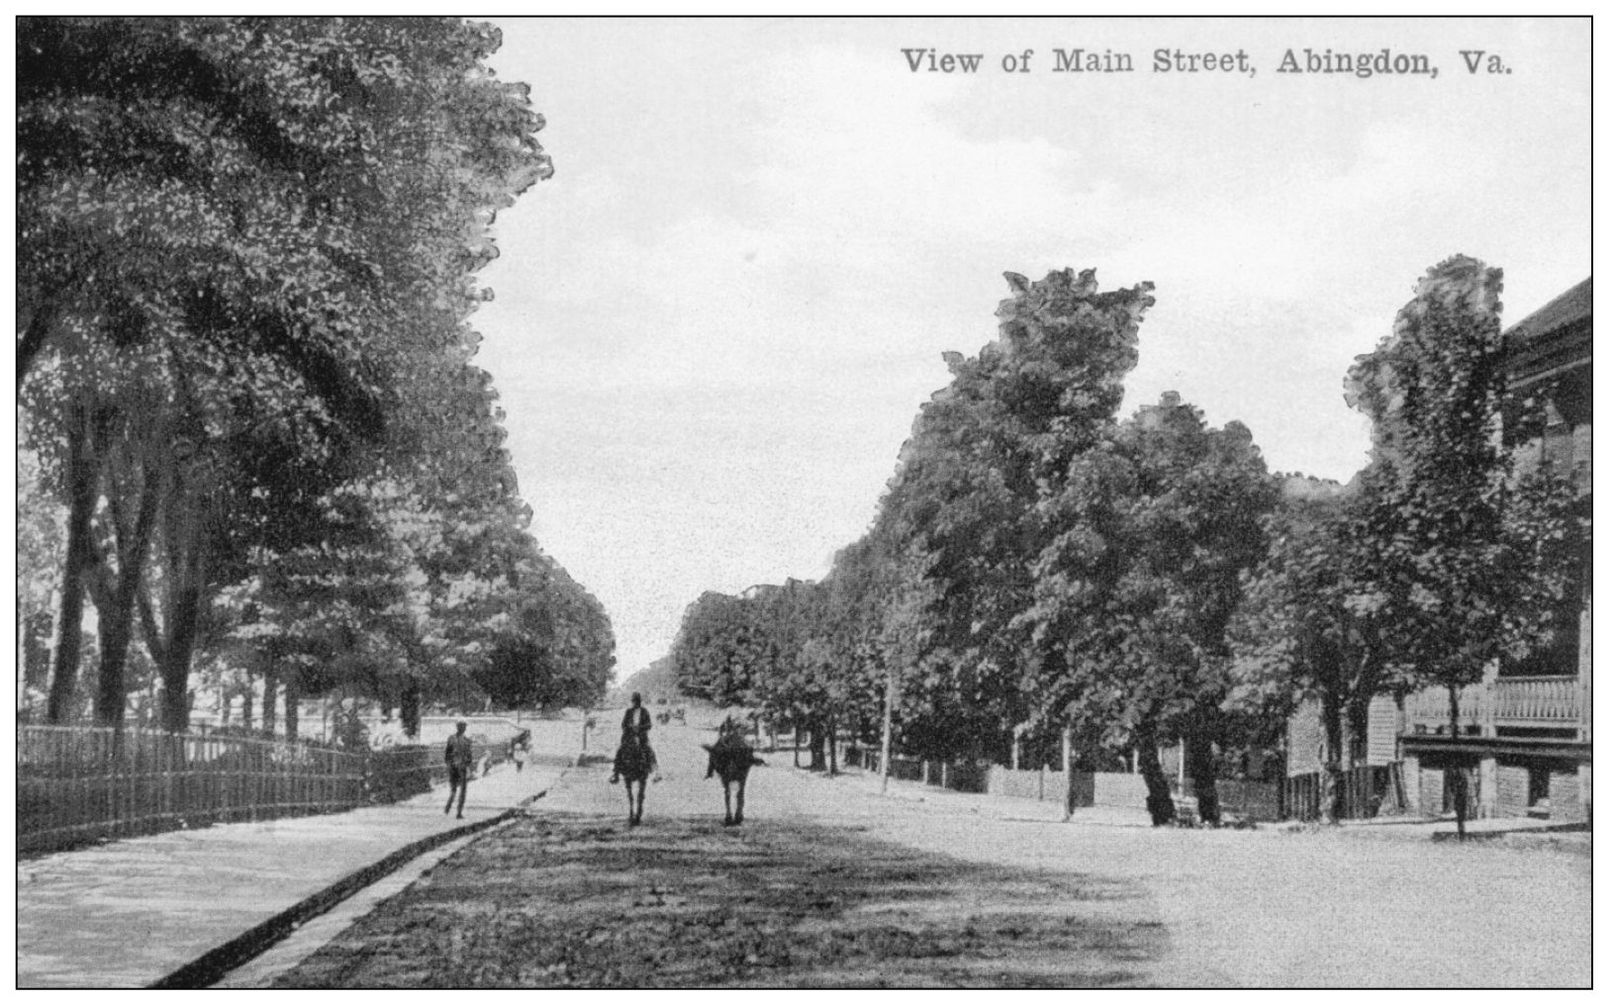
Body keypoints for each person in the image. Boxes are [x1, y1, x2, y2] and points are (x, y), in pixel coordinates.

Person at [610, 692, 657, 784]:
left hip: (641, 736)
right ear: (632, 702)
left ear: (640, 701)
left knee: (650, 751)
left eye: (637, 701)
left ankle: (656, 772)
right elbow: (623, 725)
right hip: (630, 736)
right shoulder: (628, 712)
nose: (635, 703)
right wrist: (630, 728)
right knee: (619, 750)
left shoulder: (645, 711)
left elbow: (649, 725)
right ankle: (615, 774)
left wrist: (640, 728)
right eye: (634, 701)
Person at [444, 721, 474, 819]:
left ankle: (448, 808)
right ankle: (458, 812)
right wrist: (467, 764)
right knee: (462, 791)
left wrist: (449, 765)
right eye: (463, 727)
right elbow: (470, 757)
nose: (463, 728)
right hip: (461, 767)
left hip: (453, 766)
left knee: (454, 789)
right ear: (464, 728)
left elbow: (447, 755)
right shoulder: (467, 740)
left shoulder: (451, 738)